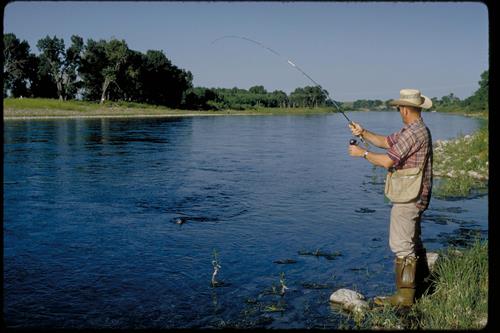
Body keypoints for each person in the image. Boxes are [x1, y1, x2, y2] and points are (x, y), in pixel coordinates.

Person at [348, 88, 433, 307]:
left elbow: (387, 161)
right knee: (413, 241)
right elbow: (386, 141)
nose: (398, 111)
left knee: (401, 245)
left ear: (404, 109)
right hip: (415, 195)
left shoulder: (414, 133)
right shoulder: (413, 129)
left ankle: (404, 299)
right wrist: (363, 132)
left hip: (409, 197)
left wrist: (362, 154)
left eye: (398, 108)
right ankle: (424, 286)